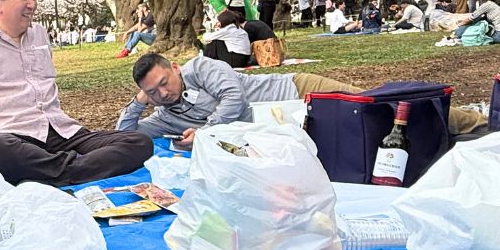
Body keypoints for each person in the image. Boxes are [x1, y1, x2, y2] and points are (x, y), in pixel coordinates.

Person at [0, 0, 153, 187]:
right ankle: (75, 169)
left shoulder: (39, 33)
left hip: (60, 131)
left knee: (139, 143)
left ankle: (57, 172)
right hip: (12, 136)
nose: (32, 4)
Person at [116, 53, 361, 148]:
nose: (162, 93)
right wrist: (138, 102)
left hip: (295, 91)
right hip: (282, 130)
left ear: (175, 68)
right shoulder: (165, 117)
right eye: (153, 92)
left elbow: (234, 98)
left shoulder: (200, 68)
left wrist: (204, 133)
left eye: (164, 82)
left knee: (367, 103)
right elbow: (125, 135)